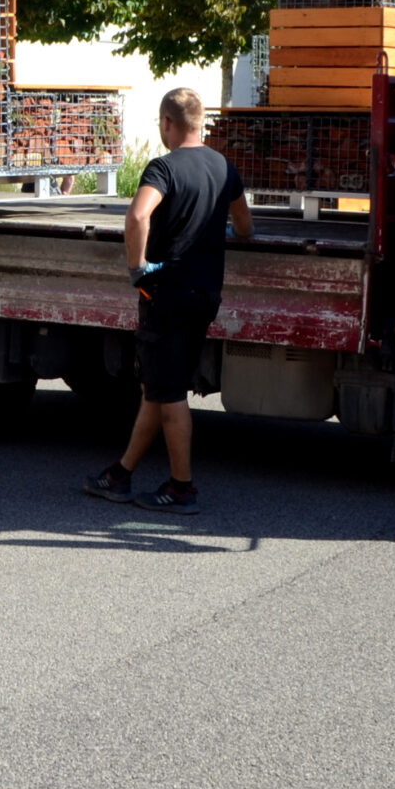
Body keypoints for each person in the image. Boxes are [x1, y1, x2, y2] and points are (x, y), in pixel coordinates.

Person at [84, 88, 250, 515]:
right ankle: (120, 474)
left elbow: (138, 215)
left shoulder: (164, 167)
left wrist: (137, 267)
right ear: (201, 123)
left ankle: (181, 488)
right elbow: (245, 226)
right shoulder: (223, 166)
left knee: (169, 391)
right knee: (158, 387)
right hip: (205, 295)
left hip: (168, 296)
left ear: (167, 124)